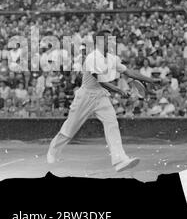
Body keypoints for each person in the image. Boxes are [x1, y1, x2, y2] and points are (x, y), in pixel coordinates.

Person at [47, 30, 158, 172]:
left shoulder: (112, 58)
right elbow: (101, 81)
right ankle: (53, 151)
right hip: (85, 96)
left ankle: (120, 160)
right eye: (107, 39)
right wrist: (119, 91)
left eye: (111, 39)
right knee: (70, 128)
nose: (110, 41)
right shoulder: (92, 57)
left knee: (112, 124)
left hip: (101, 97)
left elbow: (128, 72)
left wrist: (150, 80)